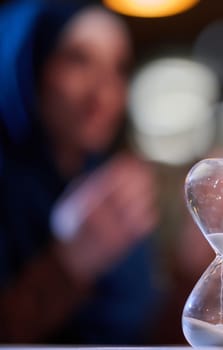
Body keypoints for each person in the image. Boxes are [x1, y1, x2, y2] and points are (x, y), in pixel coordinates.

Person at [0, 0, 159, 344]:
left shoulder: (112, 184)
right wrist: (70, 262)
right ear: (27, 65)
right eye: (78, 59)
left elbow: (143, 330)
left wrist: (193, 266)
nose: (104, 90)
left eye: (118, 67)